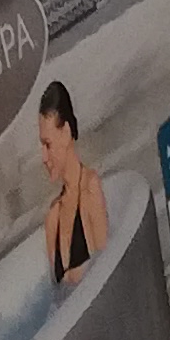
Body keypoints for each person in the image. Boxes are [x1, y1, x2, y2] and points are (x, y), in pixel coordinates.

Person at [36, 82, 109, 284]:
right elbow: (56, 293)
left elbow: (109, 268)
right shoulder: (53, 217)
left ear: (66, 132)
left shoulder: (91, 187)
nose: (43, 157)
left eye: (47, 145)